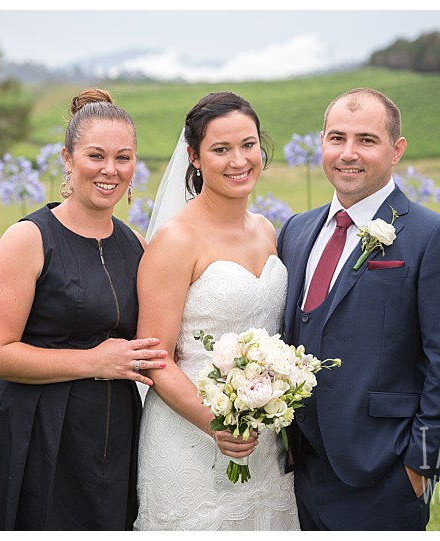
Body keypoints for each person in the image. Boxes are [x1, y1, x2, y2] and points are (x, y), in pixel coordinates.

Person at [0, 88, 168, 530]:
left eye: (124, 158)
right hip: (35, 430)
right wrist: (93, 361)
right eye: (96, 155)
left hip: (114, 432)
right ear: (67, 159)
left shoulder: (136, 244)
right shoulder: (29, 239)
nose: (111, 170)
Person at [277, 87, 440, 530]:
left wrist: (423, 466)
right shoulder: (296, 230)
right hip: (297, 468)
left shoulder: (436, 236)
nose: (348, 153)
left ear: (396, 150)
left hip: (384, 471)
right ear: (321, 143)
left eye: (366, 140)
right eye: (337, 138)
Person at [134, 91, 300, 531]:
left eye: (248, 145)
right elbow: (154, 358)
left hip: (262, 437)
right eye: (220, 149)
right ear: (194, 157)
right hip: (191, 435)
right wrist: (218, 424)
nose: (239, 160)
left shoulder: (266, 229)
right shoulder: (176, 241)